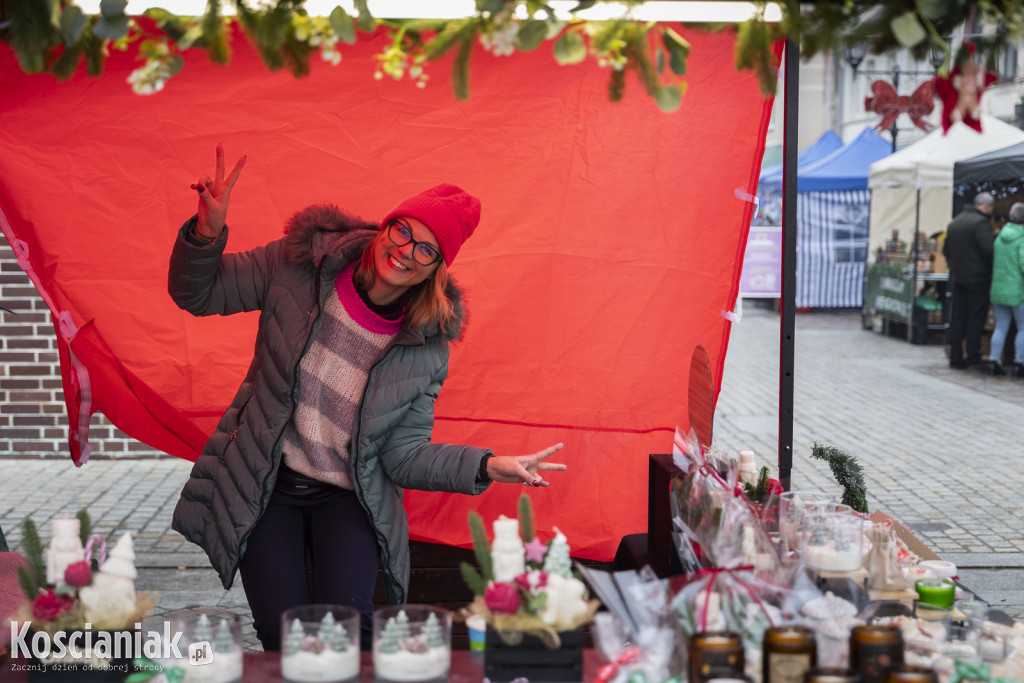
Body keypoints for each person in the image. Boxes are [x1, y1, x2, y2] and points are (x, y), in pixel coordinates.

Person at [167, 144, 567, 650]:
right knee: (282, 635)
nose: (406, 251)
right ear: (386, 226)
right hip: (265, 482)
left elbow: (402, 456)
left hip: (349, 496)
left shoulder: (426, 348)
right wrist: (207, 232)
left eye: (426, 249)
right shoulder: (298, 264)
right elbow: (197, 295)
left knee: (344, 638)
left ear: (436, 269)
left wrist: (487, 466)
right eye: (404, 232)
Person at [943, 191, 995, 368]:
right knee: (975, 318)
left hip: (959, 278)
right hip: (978, 278)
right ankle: (973, 356)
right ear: (986, 206)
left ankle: (956, 356)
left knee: (958, 317)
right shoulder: (980, 223)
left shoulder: (955, 222)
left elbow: (946, 251)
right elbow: (989, 250)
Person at [988, 202, 1024, 377]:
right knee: (1023, 327)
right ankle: (1019, 363)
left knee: (1001, 327)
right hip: (1017, 291)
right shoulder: (1022, 237)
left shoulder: (1000, 236)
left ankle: (994, 361)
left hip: (998, 289)